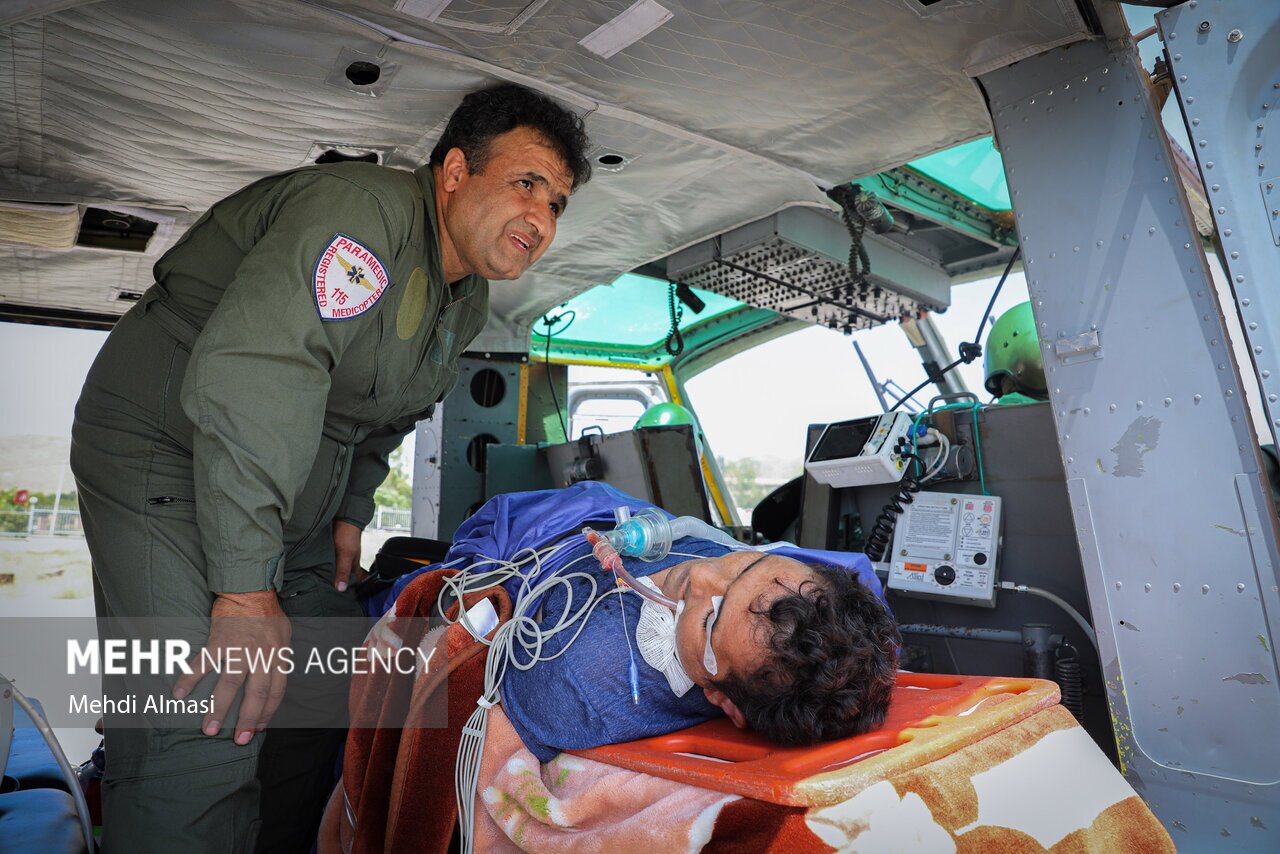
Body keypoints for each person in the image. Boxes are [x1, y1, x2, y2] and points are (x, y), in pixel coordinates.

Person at [69, 83, 591, 854]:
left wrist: (349, 512)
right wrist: (244, 590)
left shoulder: (467, 299)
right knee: (206, 719)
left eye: (556, 203)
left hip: (282, 489)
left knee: (319, 699)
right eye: (526, 184)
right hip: (169, 453)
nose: (541, 218)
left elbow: (391, 413)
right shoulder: (358, 220)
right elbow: (257, 383)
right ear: (455, 172)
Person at [389, 482, 901, 761]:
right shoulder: (809, 587)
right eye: (744, 565)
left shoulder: (577, 682)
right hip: (546, 518)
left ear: (722, 699)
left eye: (710, 620)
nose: (701, 575)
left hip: (498, 558)